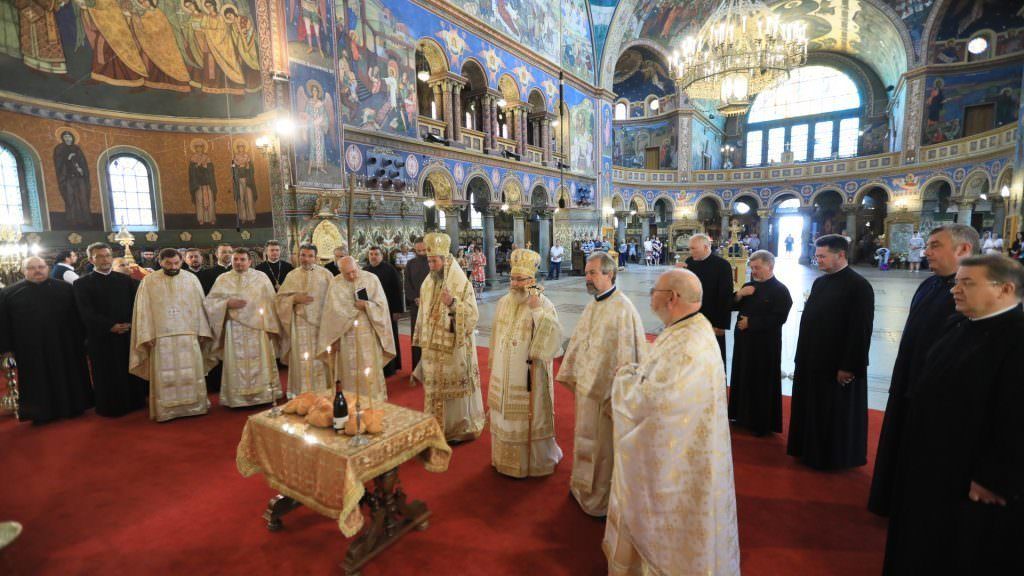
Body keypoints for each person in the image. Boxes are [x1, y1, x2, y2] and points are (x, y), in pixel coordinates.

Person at [883, 255, 1024, 575]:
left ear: (1005, 289)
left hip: (971, 477)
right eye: (957, 281)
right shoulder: (960, 324)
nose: (955, 290)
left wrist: (992, 477)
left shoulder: (1016, 338)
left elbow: (1015, 417)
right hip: (934, 461)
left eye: (967, 283)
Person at [604, 268, 740, 575]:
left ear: (672, 298)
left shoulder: (688, 344)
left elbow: (654, 402)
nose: (650, 295)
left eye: (655, 290)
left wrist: (624, 380)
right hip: (688, 450)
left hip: (675, 463)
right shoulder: (690, 327)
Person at [869, 224, 980, 516]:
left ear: (963, 249)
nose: (926, 252)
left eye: (934, 245)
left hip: (940, 395)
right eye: (927, 245)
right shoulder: (928, 284)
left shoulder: (975, 295)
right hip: (909, 380)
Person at [558, 252, 647, 516]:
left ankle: (601, 497)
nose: (587, 278)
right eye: (586, 272)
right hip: (587, 386)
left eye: (593, 273)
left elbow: (629, 353)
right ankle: (582, 486)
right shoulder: (594, 303)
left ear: (609, 274)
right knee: (585, 438)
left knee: (602, 444)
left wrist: (618, 387)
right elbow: (579, 342)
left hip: (605, 391)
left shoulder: (623, 309)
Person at [788, 235, 875, 469]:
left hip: (836, 363)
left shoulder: (859, 287)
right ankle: (809, 451)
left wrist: (849, 366)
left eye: (823, 256)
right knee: (813, 409)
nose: (818, 261)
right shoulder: (820, 282)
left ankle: (832, 458)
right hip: (811, 360)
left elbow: (860, 331)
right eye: (816, 256)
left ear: (841, 255)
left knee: (833, 412)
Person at [489, 249, 563, 477]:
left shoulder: (543, 303)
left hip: (527, 375)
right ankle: (502, 460)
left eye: (520, 279)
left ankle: (532, 464)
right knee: (504, 414)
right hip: (504, 373)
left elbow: (553, 340)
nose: (514, 283)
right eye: (512, 278)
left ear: (532, 280)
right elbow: (494, 337)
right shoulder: (503, 302)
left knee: (524, 417)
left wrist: (536, 310)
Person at [411, 233, 486, 443]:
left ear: (445, 260)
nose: (431, 265)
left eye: (434, 261)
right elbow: (423, 314)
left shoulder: (460, 283)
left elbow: (472, 316)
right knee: (435, 390)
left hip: (454, 348)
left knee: (454, 391)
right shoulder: (427, 283)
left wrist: (453, 303)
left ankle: (458, 427)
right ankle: (436, 424)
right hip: (432, 349)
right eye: (429, 260)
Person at [0, 257, 92, 424]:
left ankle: (71, 407)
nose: (37, 270)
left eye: (41, 266)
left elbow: (77, 317)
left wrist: (82, 340)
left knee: (67, 375)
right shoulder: (8, 294)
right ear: (23, 270)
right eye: (32, 267)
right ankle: (42, 413)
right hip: (29, 348)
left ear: (47, 268)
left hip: (64, 344)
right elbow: (4, 324)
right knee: (37, 380)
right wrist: (7, 349)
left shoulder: (65, 289)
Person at [130, 248, 212, 422]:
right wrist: (147, 334)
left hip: (189, 334)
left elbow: (200, 305)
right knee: (165, 375)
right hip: (161, 337)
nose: (173, 266)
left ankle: (195, 407)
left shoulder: (191, 279)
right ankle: (166, 411)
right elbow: (143, 310)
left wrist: (203, 330)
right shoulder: (149, 281)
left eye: (176, 263)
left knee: (189, 372)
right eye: (168, 263)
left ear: (181, 261)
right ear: (160, 262)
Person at [73, 243, 147, 418]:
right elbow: (85, 311)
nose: (104, 259)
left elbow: (137, 305)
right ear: (91, 260)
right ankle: (110, 406)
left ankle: (134, 402)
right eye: (99, 256)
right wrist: (110, 326)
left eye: (107, 256)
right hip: (101, 337)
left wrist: (129, 323)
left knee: (129, 369)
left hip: (127, 334)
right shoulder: (81, 284)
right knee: (106, 373)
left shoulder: (126, 280)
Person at [204, 248, 282, 408]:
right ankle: (236, 397)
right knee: (235, 362)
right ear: (232, 261)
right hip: (234, 328)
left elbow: (271, 302)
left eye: (242, 259)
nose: (238, 262)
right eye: (236, 260)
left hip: (258, 329)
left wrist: (269, 324)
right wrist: (226, 304)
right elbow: (210, 303)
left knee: (261, 361)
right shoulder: (223, 279)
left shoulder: (261, 278)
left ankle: (264, 394)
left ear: (250, 261)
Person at [729, 250, 793, 436]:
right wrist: (740, 294)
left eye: (757, 268)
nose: (754, 271)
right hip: (744, 344)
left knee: (760, 382)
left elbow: (779, 318)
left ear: (770, 266)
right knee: (742, 376)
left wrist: (751, 323)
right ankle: (740, 416)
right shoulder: (749, 286)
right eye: (752, 267)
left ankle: (760, 423)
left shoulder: (780, 290)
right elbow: (732, 306)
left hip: (765, 346)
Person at [317, 257, 395, 403]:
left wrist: (367, 305)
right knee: (349, 371)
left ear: (358, 266)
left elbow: (382, 307)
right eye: (347, 274)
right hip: (346, 336)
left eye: (354, 271)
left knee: (369, 368)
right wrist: (334, 339)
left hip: (369, 334)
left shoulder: (372, 279)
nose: (352, 276)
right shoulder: (335, 283)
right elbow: (331, 314)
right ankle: (350, 401)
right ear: (340, 271)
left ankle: (373, 400)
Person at [275, 243, 333, 398]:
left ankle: (323, 391)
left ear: (316, 258)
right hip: (299, 324)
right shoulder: (292, 275)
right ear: (298, 256)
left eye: (309, 256)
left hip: (321, 324)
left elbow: (334, 299)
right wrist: (294, 298)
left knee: (320, 357)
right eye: (303, 255)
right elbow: (280, 300)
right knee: (301, 357)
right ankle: (300, 392)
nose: (306, 259)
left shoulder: (326, 275)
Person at [682, 233, 734, 365]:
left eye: (694, 248)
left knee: (713, 357)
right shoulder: (689, 262)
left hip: (713, 320)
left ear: (706, 247)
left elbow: (725, 296)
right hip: (692, 318)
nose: (690, 251)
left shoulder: (722, 266)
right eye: (690, 248)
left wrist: (721, 325)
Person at [364, 246, 403, 377]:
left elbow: (397, 290)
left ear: (382, 256)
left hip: (389, 309)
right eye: (371, 254)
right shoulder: (365, 270)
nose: (373, 256)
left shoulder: (390, 270)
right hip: (372, 311)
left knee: (389, 337)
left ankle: (391, 367)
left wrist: (397, 311)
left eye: (376, 254)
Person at [404, 239, 430, 372]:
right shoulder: (410, 264)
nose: (421, 253)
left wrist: (428, 299)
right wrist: (415, 298)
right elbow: (407, 284)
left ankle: (430, 368)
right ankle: (417, 369)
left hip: (432, 306)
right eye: (418, 251)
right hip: (416, 306)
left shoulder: (433, 262)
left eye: (424, 250)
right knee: (417, 336)